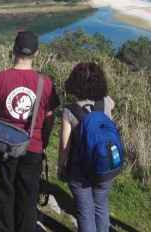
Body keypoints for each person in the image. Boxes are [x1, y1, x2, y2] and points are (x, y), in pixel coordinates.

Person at [0, 31, 60, 232]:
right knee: (28, 195)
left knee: (5, 191)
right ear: (36, 52)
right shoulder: (46, 83)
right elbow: (50, 117)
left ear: (14, 50)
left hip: (5, 144)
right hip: (33, 145)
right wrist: (43, 141)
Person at [58, 62, 115, 232]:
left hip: (79, 169)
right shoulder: (107, 102)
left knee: (85, 211)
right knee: (101, 207)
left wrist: (61, 167)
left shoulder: (70, 111)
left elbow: (64, 145)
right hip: (105, 164)